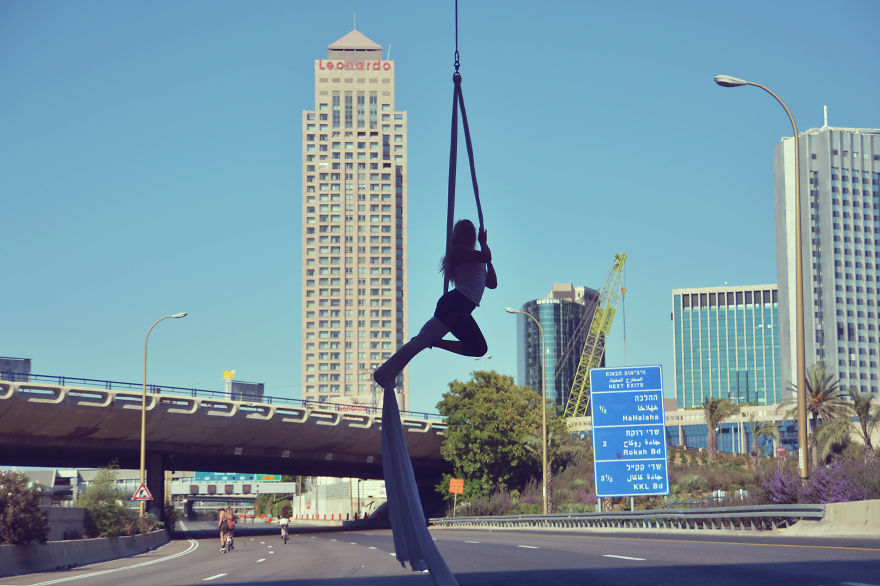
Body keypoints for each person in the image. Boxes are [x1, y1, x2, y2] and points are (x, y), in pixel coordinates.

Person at [373, 219, 497, 389]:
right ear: (460, 236)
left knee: (478, 348)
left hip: (462, 309)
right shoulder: (459, 252)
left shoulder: (478, 258)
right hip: (455, 305)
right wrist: (484, 244)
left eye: (472, 231)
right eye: (467, 231)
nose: (471, 234)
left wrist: (486, 257)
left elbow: (492, 283)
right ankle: (383, 374)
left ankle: (431, 345)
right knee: (420, 341)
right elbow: (486, 256)